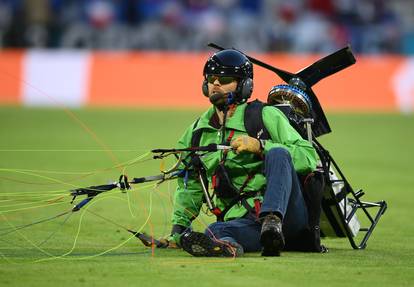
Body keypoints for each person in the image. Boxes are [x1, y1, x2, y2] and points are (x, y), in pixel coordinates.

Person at [167, 49, 318, 257]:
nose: (216, 84)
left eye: (225, 79)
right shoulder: (197, 133)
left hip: (288, 218)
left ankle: (272, 222)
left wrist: (260, 146)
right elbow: (190, 185)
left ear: (244, 85)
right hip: (246, 224)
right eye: (211, 78)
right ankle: (229, 247)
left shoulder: (265, 115)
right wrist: (178, 230)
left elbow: (309, 157)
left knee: (279, 153)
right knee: (215, 230)